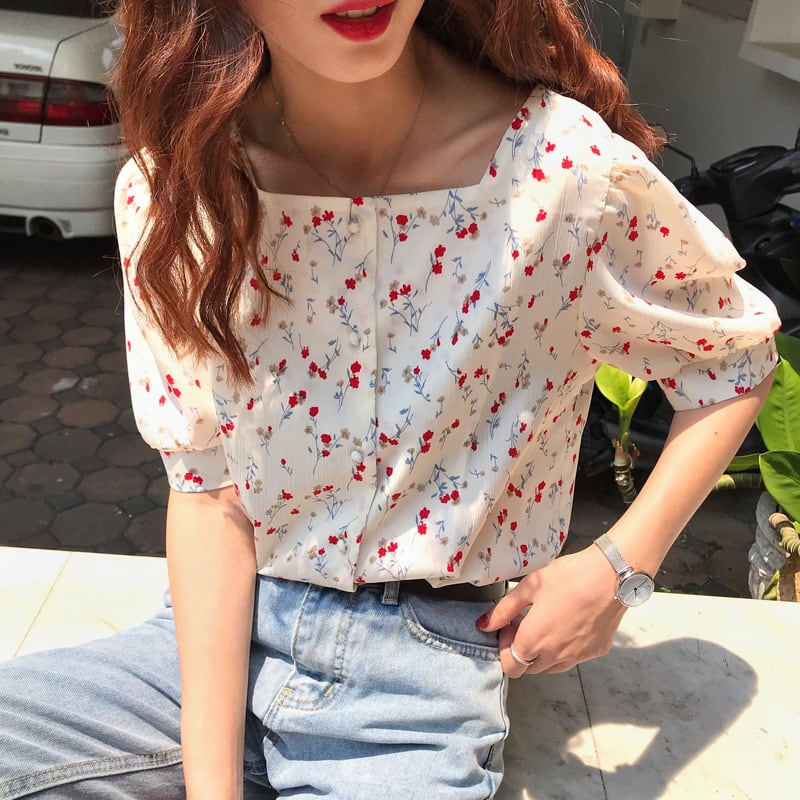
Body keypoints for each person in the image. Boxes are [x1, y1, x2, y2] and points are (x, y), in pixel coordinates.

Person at [0, 0, 780, 797]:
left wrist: (619, 568)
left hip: (419, 677)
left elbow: (733, 357)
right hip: (210, 643)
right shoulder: (184, 185)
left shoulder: (559, 171)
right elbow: (208, 493)